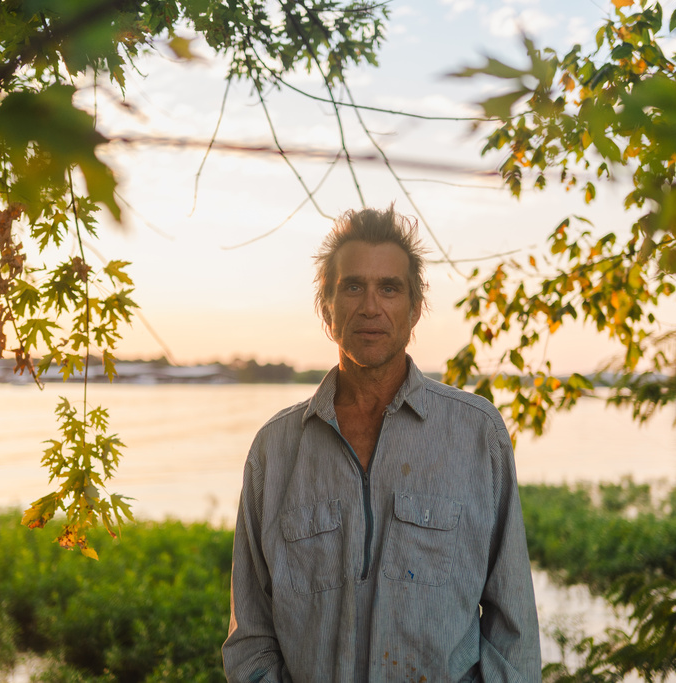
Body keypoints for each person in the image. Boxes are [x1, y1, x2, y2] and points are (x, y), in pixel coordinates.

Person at [222, 206, 541, 682]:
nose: (370, 306)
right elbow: (250, 637)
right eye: (352, 286)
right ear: (326, 307)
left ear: (415, 308)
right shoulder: (276, 450)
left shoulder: (477, 435)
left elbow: (513, 634)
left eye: (389, 288)